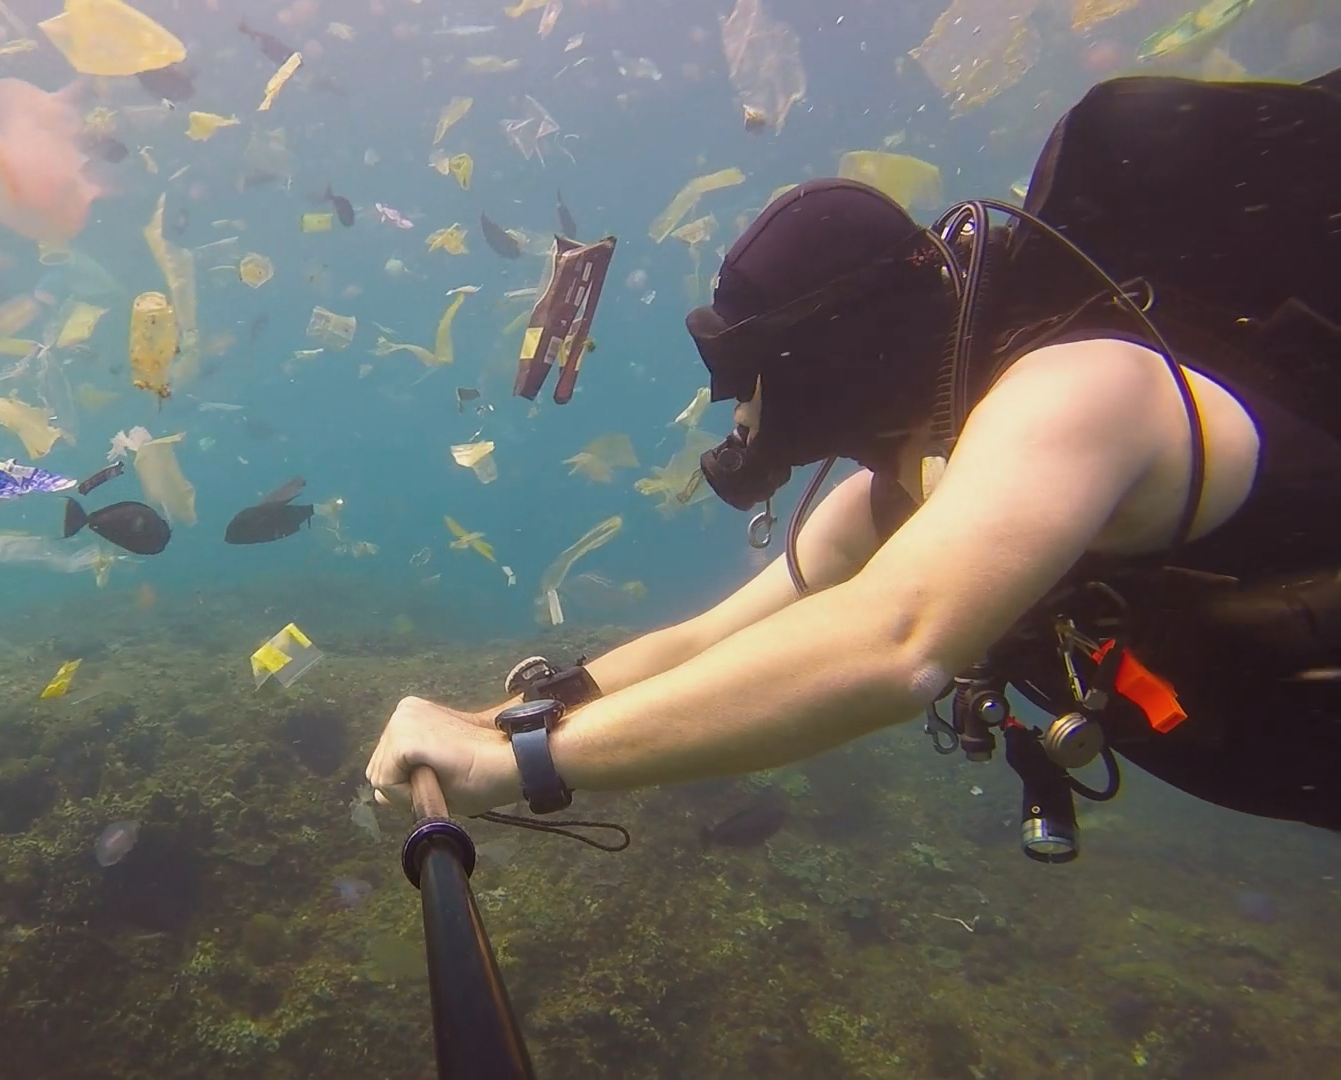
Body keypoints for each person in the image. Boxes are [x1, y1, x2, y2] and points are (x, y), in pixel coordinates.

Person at [367, 68, 1341, 859]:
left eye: (745, 372)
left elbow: (892, 643)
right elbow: (701, 643)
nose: (736, 411)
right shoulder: (905, 491)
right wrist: (492, 725)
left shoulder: (1086, 390)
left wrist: (524, 766)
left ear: (827, 351)